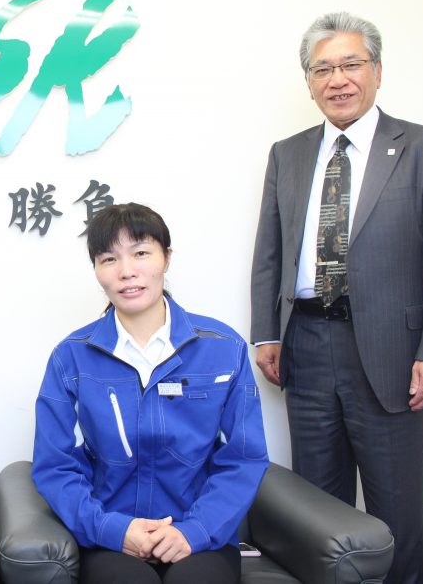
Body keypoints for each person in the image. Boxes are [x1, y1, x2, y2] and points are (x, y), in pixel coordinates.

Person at [250, 12, 423, 584]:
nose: (338, 79)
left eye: (351, 64)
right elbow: (270, 251)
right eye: (322, 69)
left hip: (394, 354)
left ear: (377, 71)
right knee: (316, 514)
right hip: (306, 345)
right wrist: (267, 332)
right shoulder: (288, 154)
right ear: (309, 82)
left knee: (394, 512)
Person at [33, 203, 269, 584]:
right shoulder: (71, 357)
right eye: (109, 259)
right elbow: (54, 465)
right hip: (110, 538)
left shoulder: (224, 349)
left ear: (166, 258)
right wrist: (111, 529)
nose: (127, 271)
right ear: (96, 270)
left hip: (201, 536)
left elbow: (245, 457)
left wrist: (195, 530)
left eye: (141, 253)